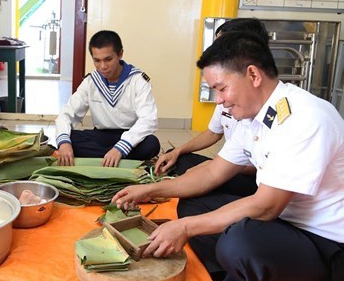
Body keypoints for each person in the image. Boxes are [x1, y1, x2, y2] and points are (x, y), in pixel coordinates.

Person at [112, 32, 343, 281]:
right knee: (193, 205)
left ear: (253, 75)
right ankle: (226, 273)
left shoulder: (304, 117)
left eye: (222, 89)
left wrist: (186, 228)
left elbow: (266, 206)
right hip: (286, 223)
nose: (219, 101)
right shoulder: (251, 118)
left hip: (324, 242)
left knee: (239, 241)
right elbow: (213, 172)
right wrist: (150, 190)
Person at [155, 18, 270, 197]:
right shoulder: (228, 92)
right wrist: (178, 151)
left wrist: (212, 167)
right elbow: (214, 132)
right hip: (229, 163)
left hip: (249, 176)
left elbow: (258, 168)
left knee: (196, 194)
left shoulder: (267, 104)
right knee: (179, 160)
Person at [55, 30, 160, 167]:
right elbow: (67, 113)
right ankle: (115, 159)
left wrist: (120, 148)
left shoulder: (138, 80)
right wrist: (64, 144)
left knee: (151, 144)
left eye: (108, 59)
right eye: (97, 60)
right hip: (100, 136)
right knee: (69, 138)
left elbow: (148, 119)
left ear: (120, 54)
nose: (103, 67)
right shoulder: (91, 81)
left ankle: (106, 157)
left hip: (129, 136)